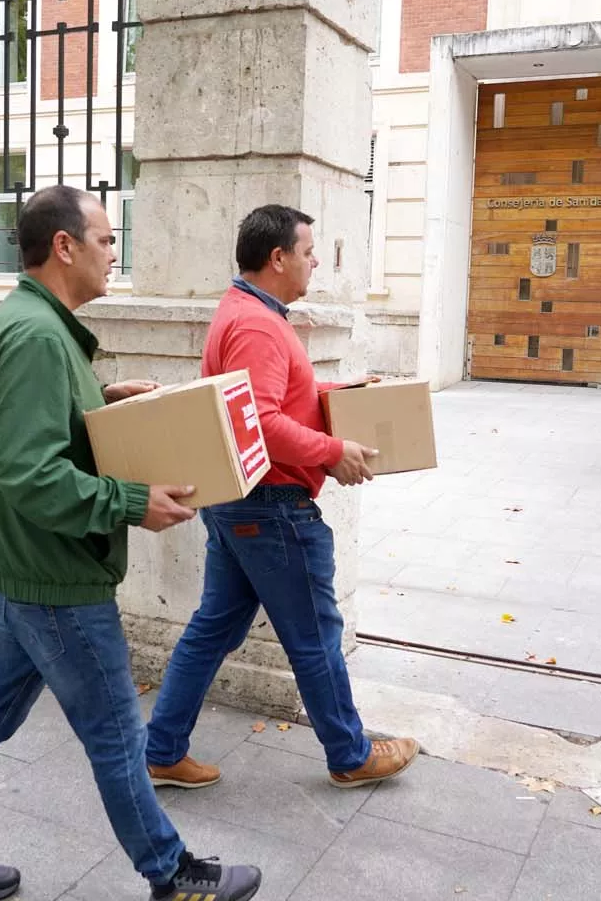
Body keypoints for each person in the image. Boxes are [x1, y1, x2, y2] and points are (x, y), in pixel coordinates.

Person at [0, 186, 262, 901]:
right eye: (103, 239)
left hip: (29, 572)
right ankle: (174, 873)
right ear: (63, 247)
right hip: (57, 579)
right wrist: (131, 502)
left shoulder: (34, 322)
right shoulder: (36, 336)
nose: (113, 250)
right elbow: (30, 474)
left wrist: (102, 402)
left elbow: (39, 435)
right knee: (118, 734)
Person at [144, 204, 420, 793]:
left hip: (244, 504)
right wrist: (330, 450)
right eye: (309, 250)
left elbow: (275, 395)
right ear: (278, 258)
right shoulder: (257, 325)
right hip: (272, 507)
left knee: (214, 628)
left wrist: (340, 389)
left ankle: (162, 750)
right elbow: (260, 419)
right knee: (316, 633)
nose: (315, 260)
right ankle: (349, 753)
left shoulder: (249, 312)